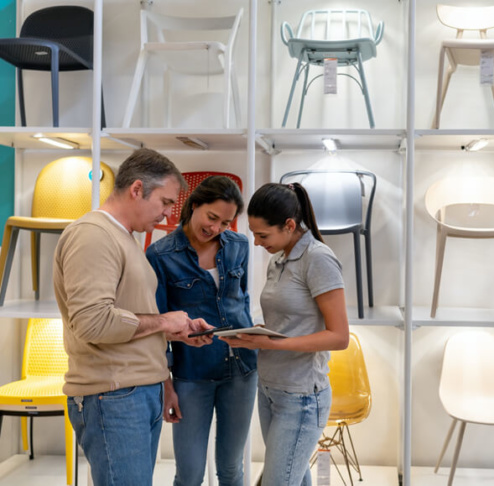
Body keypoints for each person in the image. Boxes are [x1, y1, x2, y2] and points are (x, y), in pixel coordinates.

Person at [53, 148, 214, 486]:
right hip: (114, 397)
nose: (169, 213)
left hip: (133, 394)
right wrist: (164, 322)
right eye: (165, 202)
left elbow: (125, 315)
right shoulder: (93, 235)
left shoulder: (122, 237)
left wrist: (176, 331)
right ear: (137, 189)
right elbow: (93, 322)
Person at [220, 182, 350, 486]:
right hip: (269, 389)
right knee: (295, 477)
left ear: (289, 225)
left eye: (263, 235)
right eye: (254, 234)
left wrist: (272, 343)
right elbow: (286, 320)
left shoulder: (318, 259)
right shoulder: (278, 258)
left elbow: (339, 336)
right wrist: (254, 334)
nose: (255, 242)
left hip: (301, 396)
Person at [146, 175, 257, 486]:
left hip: (242, 370)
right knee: (190, 474)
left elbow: (242, 300)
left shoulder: (239, 246)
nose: (216, 228)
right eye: (212, 217)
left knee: (232, 469)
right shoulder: (160, 255)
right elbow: (158, 326)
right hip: (191, 375)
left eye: (225, 222)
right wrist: (166, 385)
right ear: (194, 205)